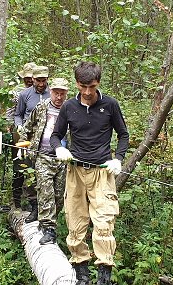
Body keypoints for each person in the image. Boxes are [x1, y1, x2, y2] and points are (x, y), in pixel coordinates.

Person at [50, 61, 129, 285]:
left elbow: (123, 135)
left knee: (104, 224)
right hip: (75, 171)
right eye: (83, 86)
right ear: (77, 83)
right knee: (75, 222)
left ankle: (104, 277)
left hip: (102, 173)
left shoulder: (110, 105)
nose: (86, 92)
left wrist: (118, 159)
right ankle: (81, 274)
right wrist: (60, 148)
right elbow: (56, 134)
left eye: (91, 87)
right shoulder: (68, 107)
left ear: (98, 83)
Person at [18, 78, 69, 244]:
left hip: (63, 159)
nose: (59, 97)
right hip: (43, 156)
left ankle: (49, 223)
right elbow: (27, 127)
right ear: (51, 91)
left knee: (58, 196)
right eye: (56, 93)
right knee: (45, 192)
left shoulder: (71, 109)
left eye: (62, 94)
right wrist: (22, 145)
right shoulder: (41, 107)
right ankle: (49, 229)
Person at [14, 65, 50, 222]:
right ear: (32, 80)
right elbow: (18, 114)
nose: (41, 84)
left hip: (47, 139)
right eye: (38, 81)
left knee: (45, 171)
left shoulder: (53, 93)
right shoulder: (25, 94)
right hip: (28, 137)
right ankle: (32, 205)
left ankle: (47, 208)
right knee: (28, 170)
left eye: (44, 81)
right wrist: (20, 126)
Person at [6, 62, 37, 209]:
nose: (29, 80)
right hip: (19, 132)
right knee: (19, 165)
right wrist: (10, 127)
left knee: (34, 165)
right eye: (27, 78)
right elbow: (11, 112)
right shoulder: (17, 92)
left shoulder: (42, 92)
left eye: (31, 77)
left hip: (36, 133)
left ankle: (33, 201)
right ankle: (16, 201)